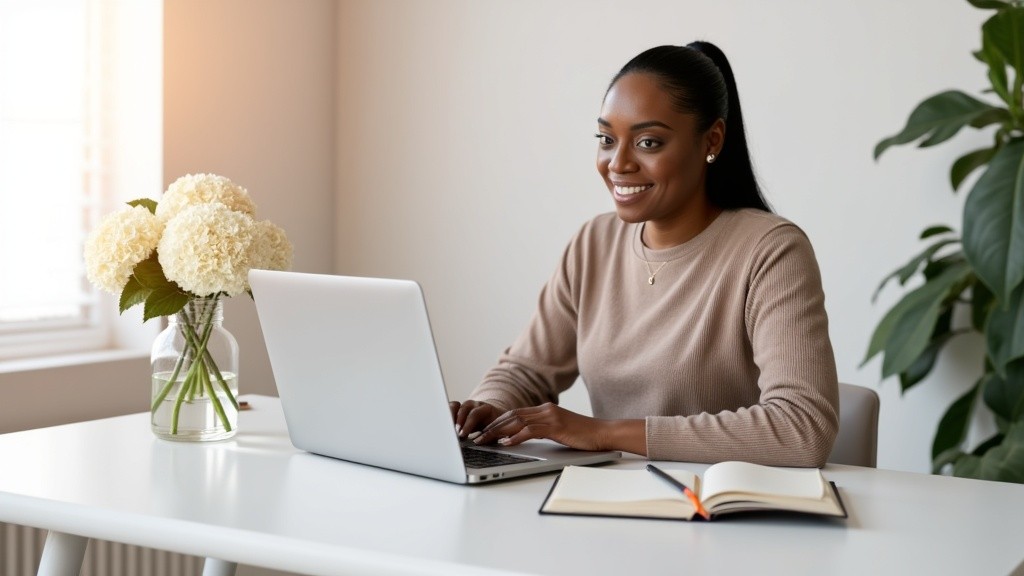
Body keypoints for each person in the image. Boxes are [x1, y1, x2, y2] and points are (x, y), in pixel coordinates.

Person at [450, 41, 839, 467]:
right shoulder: (593, 244)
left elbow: (803, 428)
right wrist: (484, 412)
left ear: (712, 140)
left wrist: (602, 433)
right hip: (607, 505)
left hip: (719, 514)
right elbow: (525, 371)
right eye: (606, 139)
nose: (617, 163)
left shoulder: (771, 251)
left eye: (648, 142)